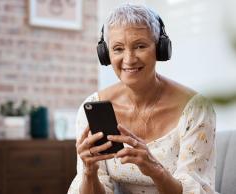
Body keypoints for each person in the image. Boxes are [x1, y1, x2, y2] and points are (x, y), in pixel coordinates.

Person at [68, 4, 216, 194]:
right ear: (106, 54)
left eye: (140, 46)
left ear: (160, 49)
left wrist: (156, 171)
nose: (129, 59)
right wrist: (89, 172)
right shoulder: (94, 107)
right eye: (118, 49)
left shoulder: (196, 108)